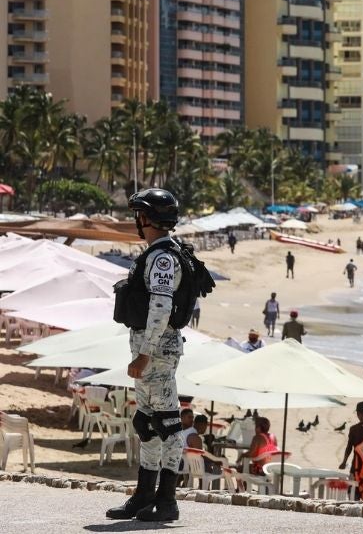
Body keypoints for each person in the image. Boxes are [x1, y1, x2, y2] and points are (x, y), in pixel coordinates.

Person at [107, 188, 202, 523]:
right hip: (151, 350)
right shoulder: (158, 253)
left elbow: (160, 310)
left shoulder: (162, 258)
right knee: (145, 423)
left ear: (148, 218)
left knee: (168, 425)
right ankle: (144, 496)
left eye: (140, 214)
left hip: (157, 352)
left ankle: (167, 500)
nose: (137, 220)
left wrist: (144, 355)